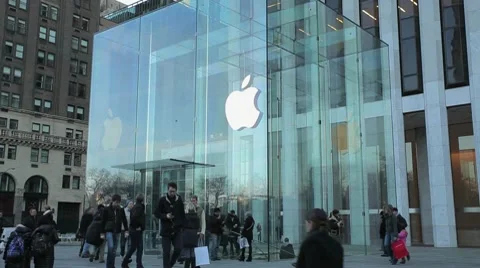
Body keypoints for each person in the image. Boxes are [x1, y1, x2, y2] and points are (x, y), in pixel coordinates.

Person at [154, 182, 186, 268]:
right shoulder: (162, 200)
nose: (172, 193)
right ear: (167, 190)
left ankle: (170, 265)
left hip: (177, 229)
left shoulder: (179, 200)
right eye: (170, 191)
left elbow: (182, 214)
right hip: (166, 230)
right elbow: (156, 213)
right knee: (166, 252)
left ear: (176, 191)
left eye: (174, 191)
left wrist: (183, 226)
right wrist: (165, 216)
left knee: (178, 249)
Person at [101, 194, 129, 268]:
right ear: (112, 201)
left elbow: (124, 220)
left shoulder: (121, 209)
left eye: (119, 202)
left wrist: (126, 230)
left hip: (117, 231)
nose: (117, 204)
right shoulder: (106, 209)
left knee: (114, 249)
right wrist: (102, 233)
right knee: (111, 246)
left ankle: (111, 265)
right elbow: (103, 221)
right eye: (116, 202)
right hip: (109, 230)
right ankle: (109, 265)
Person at [122, 194, 146, 268]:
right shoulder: (139, 207)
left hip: (134, 229)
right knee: (138, 247)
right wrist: (139, 226)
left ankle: (130, 263)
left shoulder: (135, 207)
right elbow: (135, 218)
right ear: (142, 200)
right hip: (136, 230)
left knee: (135, 247)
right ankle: (136, 264)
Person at [182, 202, 200, 268]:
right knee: (193, 252)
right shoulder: (196, 217)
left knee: (187, 253)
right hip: (194, 235)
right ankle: (193, 266)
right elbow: (198, 226)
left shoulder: (184, 217)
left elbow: (182, 226)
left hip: (186, 235)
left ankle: (186, 266)